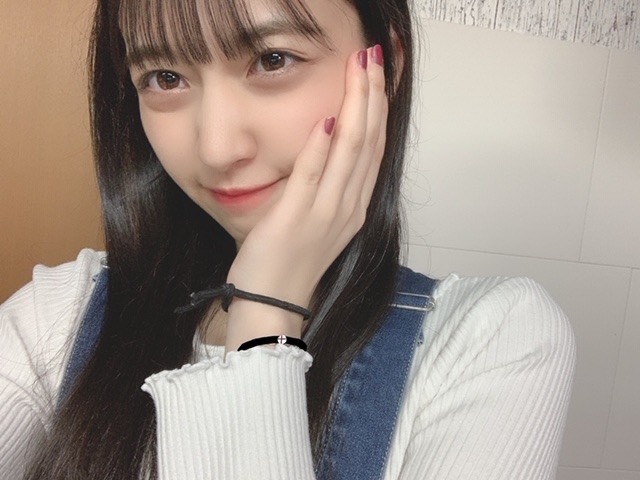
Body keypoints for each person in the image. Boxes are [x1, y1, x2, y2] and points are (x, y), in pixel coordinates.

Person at [0, 0, 576, 478]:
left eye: (272, 59)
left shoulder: (487, 341)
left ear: (387, 68)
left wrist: (263, 314)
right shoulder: (60, 315)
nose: (217, 149)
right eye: (165, 78)